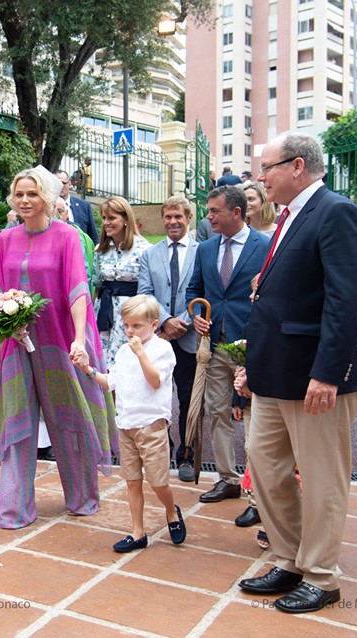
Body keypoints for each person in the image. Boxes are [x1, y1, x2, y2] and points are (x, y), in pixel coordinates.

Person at [237, 131, 357, 614]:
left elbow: (343, 299)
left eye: (267, 168)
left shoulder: (336, 212)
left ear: (297, 166)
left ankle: (320, 575)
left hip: (317, 378)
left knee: (321, 478)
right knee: (266, 467)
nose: (260, 178)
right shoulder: (290, 217)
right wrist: (253, 366)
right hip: (275, 372)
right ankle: (290, 557)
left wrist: (329, 373)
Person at [0, 167, 115, 530]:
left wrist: (79, 338)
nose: (25, 201)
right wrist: (8, 323)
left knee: (70, 416)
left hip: (61, 340)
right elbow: (0, 288)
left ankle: (82, 496)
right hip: (19, 343)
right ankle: (13, 506)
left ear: (46, 196)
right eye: (19, 194)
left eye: (32, 194)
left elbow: (77, 290)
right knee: (18, 419)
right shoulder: (4, 239)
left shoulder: (67, 236)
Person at [74, 295, 186, 552]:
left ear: (154, 324)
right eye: (126, 325)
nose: (129, 331)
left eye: (136, 325)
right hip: (126, 424)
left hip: (151, 424)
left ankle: (171, 511)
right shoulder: (124, 351)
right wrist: (87, 369)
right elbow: (109, 383)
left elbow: (155, 381)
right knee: (132, 481)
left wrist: (140, 353)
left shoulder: (162, 349)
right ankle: (138, 532)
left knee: (158, 482)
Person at [185, 185, 269, 506]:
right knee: (217, 411)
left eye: (214, 211)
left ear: (236, 212)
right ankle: (227, 478)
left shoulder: (265, 246)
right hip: (215, 345)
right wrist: (196, 315)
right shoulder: (206, 249)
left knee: (255, 414)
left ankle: (257, 484)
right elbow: (195, 290)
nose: (208, 217)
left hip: (252, 345)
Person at [137, 196, 199, 481]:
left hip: (190, 336)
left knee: (189, 396)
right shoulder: (150, 254)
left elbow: (203, 290)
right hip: (160, 335)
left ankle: (187, 454)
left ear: (188, 218)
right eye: (168, 217)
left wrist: (183, 322)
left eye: (178, 216)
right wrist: (165, 320)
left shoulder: (203, 251)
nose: (173, 221)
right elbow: (145, 291)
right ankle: (162, 451)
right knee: (157, 395)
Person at [93, 196, 151, 369]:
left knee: (127, 364)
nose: (106, 223)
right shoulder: (100, 250)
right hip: (104, 309)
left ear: (126, 219)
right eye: (104, 218)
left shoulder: (144, 249)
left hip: (130, 312)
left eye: (112, 218)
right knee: (103, 364)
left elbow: (148, 289)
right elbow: (97, 285)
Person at [55, 170, 99, 243]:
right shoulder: (46, 206)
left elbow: (93, 236)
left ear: (69, 184)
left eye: (63, 183)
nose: (60, 186)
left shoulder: (84, 206)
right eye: (56, 183)